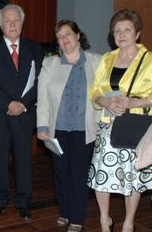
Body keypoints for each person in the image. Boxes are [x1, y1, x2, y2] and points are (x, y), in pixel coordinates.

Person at [88, 9, 152, 232]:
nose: (122, 34)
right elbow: (95, 91)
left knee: (132, 178)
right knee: (100, 175)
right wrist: (105, 102)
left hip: (135, 127)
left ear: (137, 34)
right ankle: (104, 221)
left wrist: (133, 103)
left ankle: (128, 223)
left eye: (127, 30)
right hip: (108, 125)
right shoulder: (107, 59)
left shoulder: (149, 60)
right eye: (117, 30)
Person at [0, 4, 43, 220]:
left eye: (16, 20)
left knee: (24, 161)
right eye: (8, 20)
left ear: (22, 23)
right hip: (0, 115)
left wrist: (23, 103)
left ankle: (24, 201)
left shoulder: (35, 48)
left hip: (25, 114)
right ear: (0, 25)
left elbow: (40, 81)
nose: (12, 24)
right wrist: (9, 104)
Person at [36, 20, 101, 231]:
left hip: (85, 130)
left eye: (67, 34)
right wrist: (42, 127)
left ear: (78, 35)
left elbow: (104, 95)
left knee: (78, 173)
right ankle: (64, 211)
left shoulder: (96, 61)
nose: (64, 39)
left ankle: (77, 217)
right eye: (60, 37)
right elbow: (43, 98)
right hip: (58, 129)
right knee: (61, 173)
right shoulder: (50, 64)